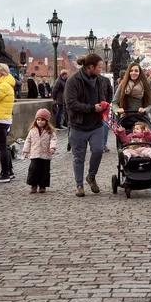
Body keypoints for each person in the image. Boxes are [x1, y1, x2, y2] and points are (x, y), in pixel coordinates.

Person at [64, 54, 110, 197]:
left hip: (96, 124)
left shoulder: (100, 80)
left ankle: (91, 177)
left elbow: (105, 95)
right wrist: (91, 108)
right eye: (99, 67)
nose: (101, 69)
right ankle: (79, 185)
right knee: (79, 157)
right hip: (78, 124)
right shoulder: (73, 81)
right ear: (90, 67)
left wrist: (104, 104)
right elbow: (71, 103)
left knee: (98, 151)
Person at [23, 108, 57, 194]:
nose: (40, 122)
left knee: (44, 170)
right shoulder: (32, 130)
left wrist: (52, 147)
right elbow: (28, 140)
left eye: (42, 120)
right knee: (33, 170)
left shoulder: (50, 131)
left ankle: (42, 186)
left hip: (45, 154)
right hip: (34, 154)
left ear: (46, 121)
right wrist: (26, 151)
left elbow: (53, 139)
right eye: (38, 120)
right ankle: (33, 185)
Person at [99, 74, 114, 153]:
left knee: (105, 125)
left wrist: (107, 102)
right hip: (92, 108)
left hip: (104, 109)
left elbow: (110, 92)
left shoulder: (105, 80)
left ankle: (103, 144)